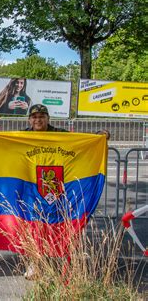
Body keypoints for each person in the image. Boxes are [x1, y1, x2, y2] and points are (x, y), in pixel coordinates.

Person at [22, 104, 109, 279]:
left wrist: (99, 136)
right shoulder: (23, 135)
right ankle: (35, 263)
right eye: (34, 117)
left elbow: (80, 143)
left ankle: (68, 262)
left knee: (62, 226)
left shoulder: (60, 134)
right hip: (32, 189)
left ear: (48, 119)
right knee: (34, 228)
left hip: (58, 190)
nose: (38, 120)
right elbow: (2, 143)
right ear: (29, 120)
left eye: (42, 116)